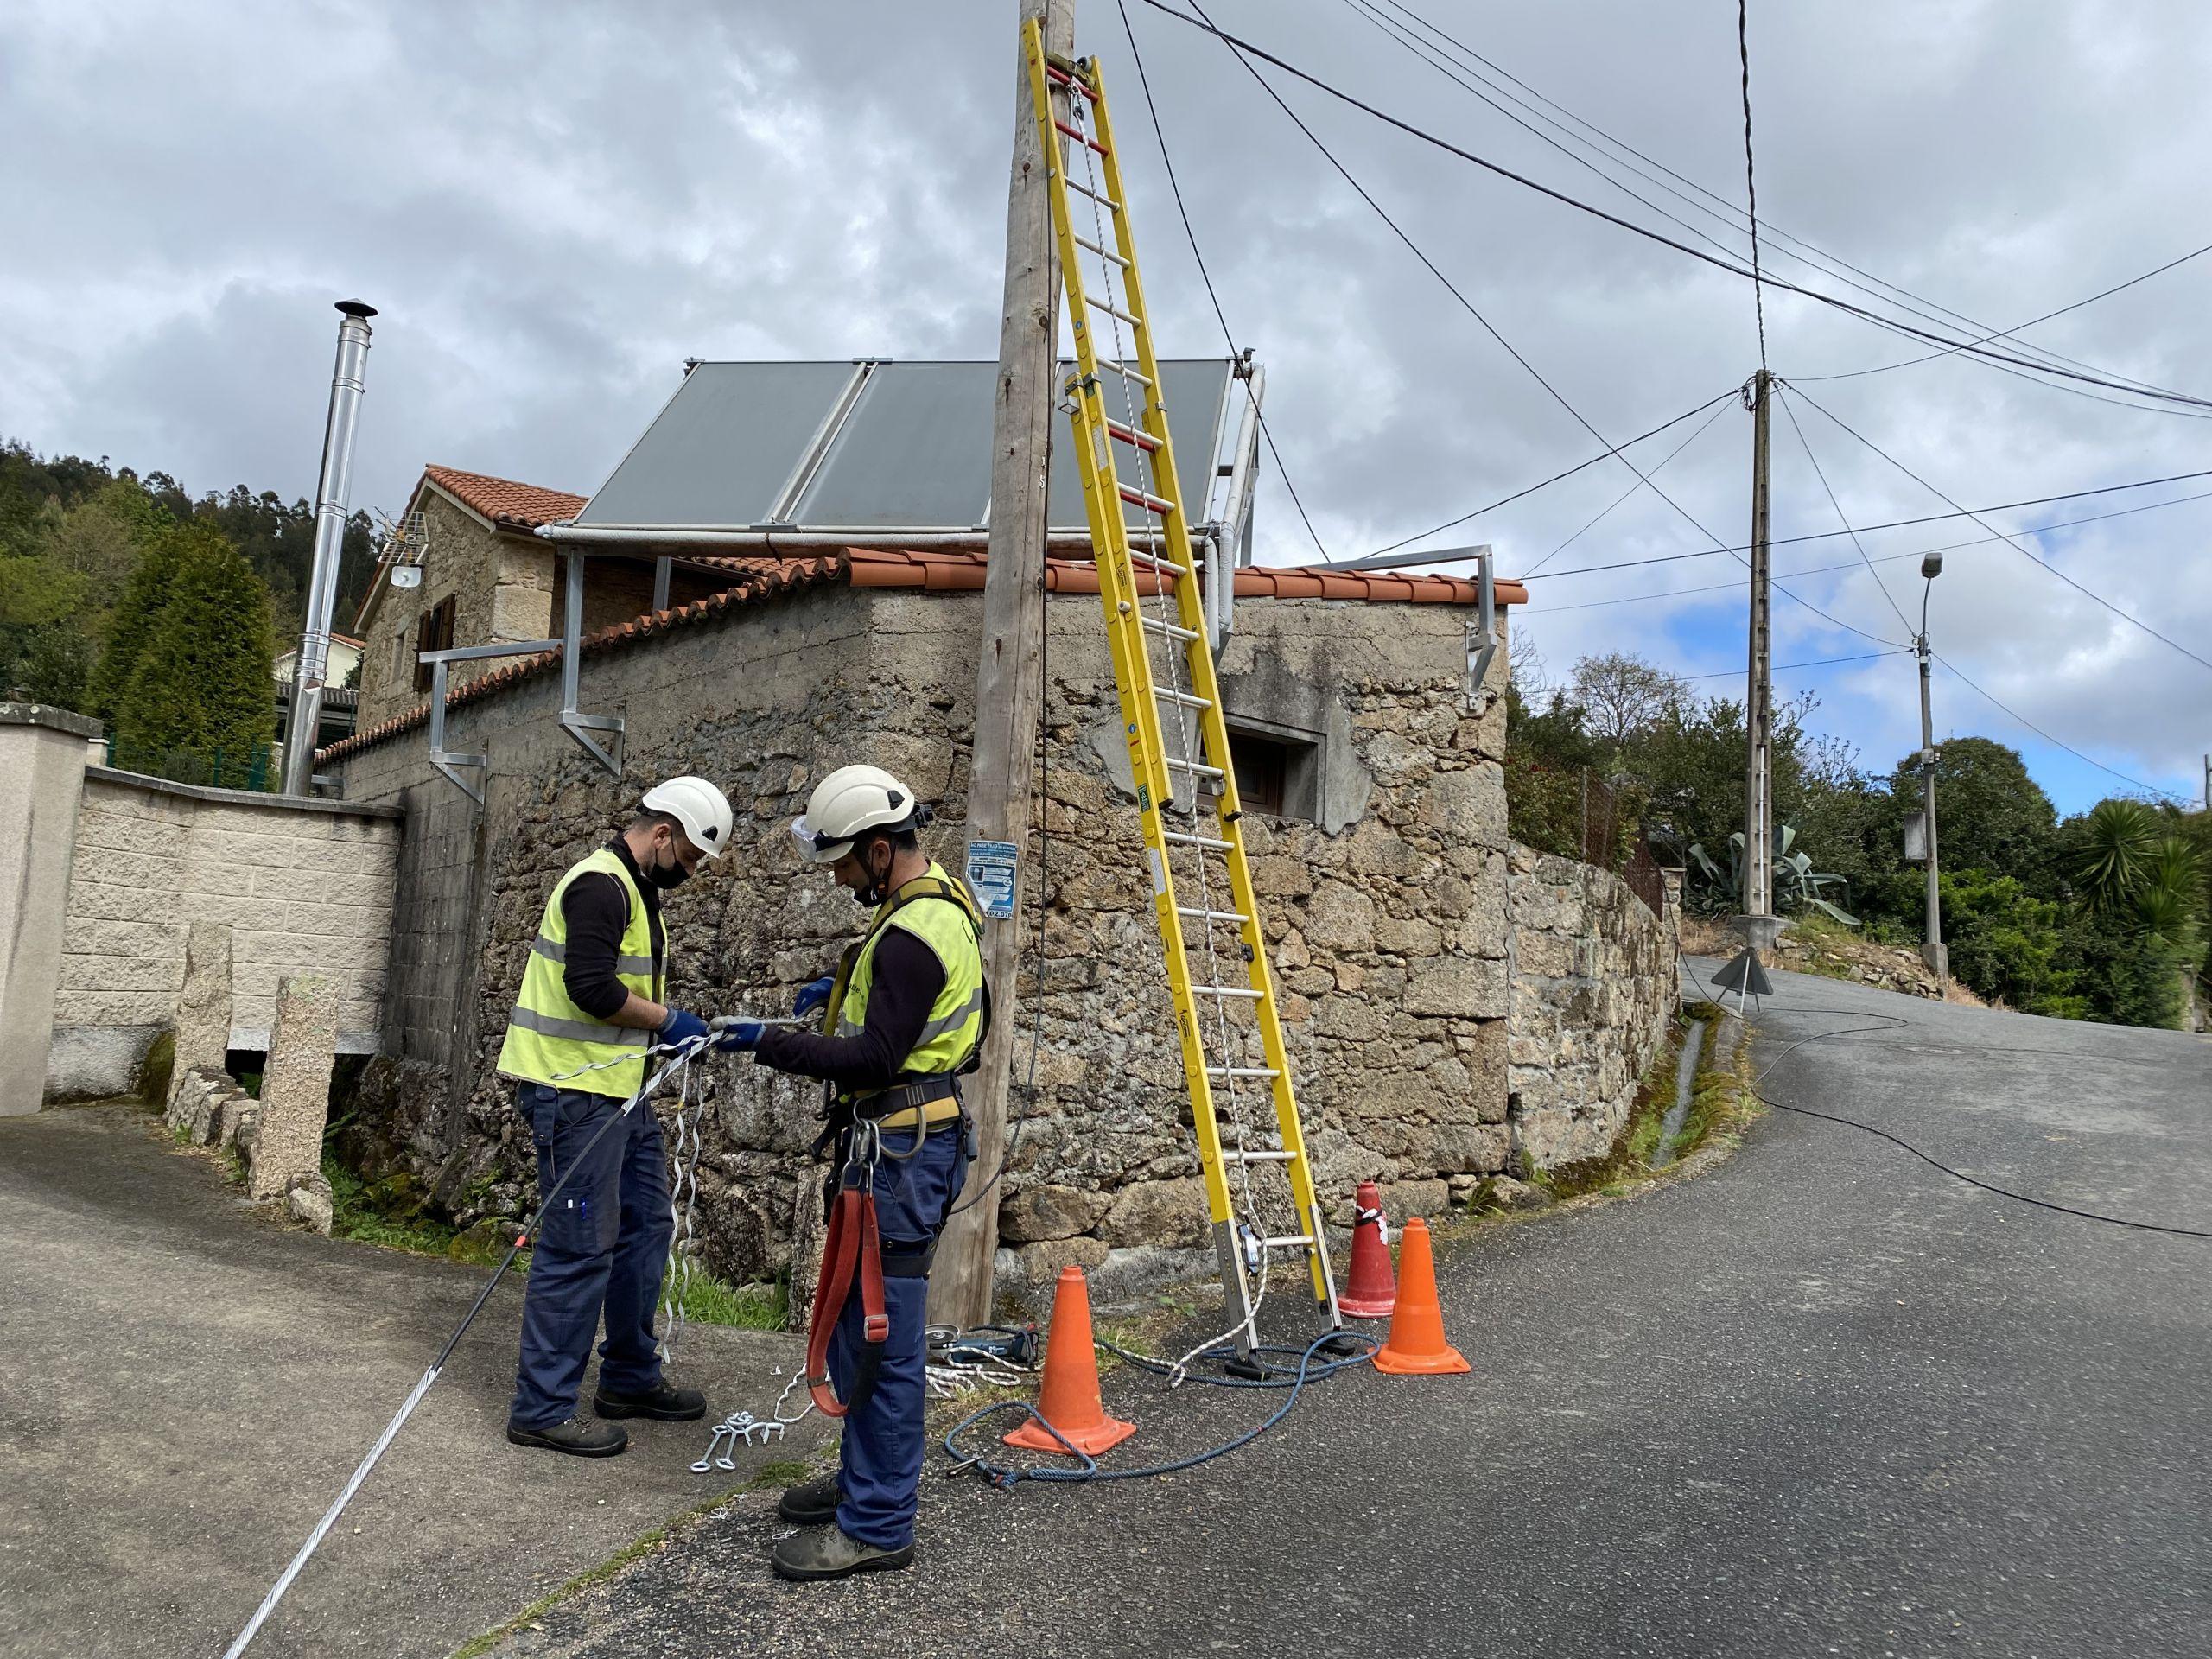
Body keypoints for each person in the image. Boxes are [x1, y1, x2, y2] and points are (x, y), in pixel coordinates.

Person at [719, 764, 987, 1581]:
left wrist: (763, 1039)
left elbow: (876, 1054)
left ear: (879, 851)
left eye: (841, 862)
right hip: (900, 1147)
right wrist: (829, 995)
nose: (836, 878)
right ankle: (861, 1480)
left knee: (884, 1340)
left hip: (903, 1154)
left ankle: (876, 1522)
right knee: (856, 1327)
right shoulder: (929, 902)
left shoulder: (912, 934)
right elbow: (892, 1012)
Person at [494, 775, 734, 1457]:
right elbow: (593, 989)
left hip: (618, 1093)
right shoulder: (600, 885)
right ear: (661, 834)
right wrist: (669, 1021)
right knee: (576, 1249)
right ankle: (541, 1409)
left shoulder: (639, 892)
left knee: (646, 1227)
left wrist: (660, 1034)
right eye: (687, 858)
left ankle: (629, 1376)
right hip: (572, 1096)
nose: (689, 873)